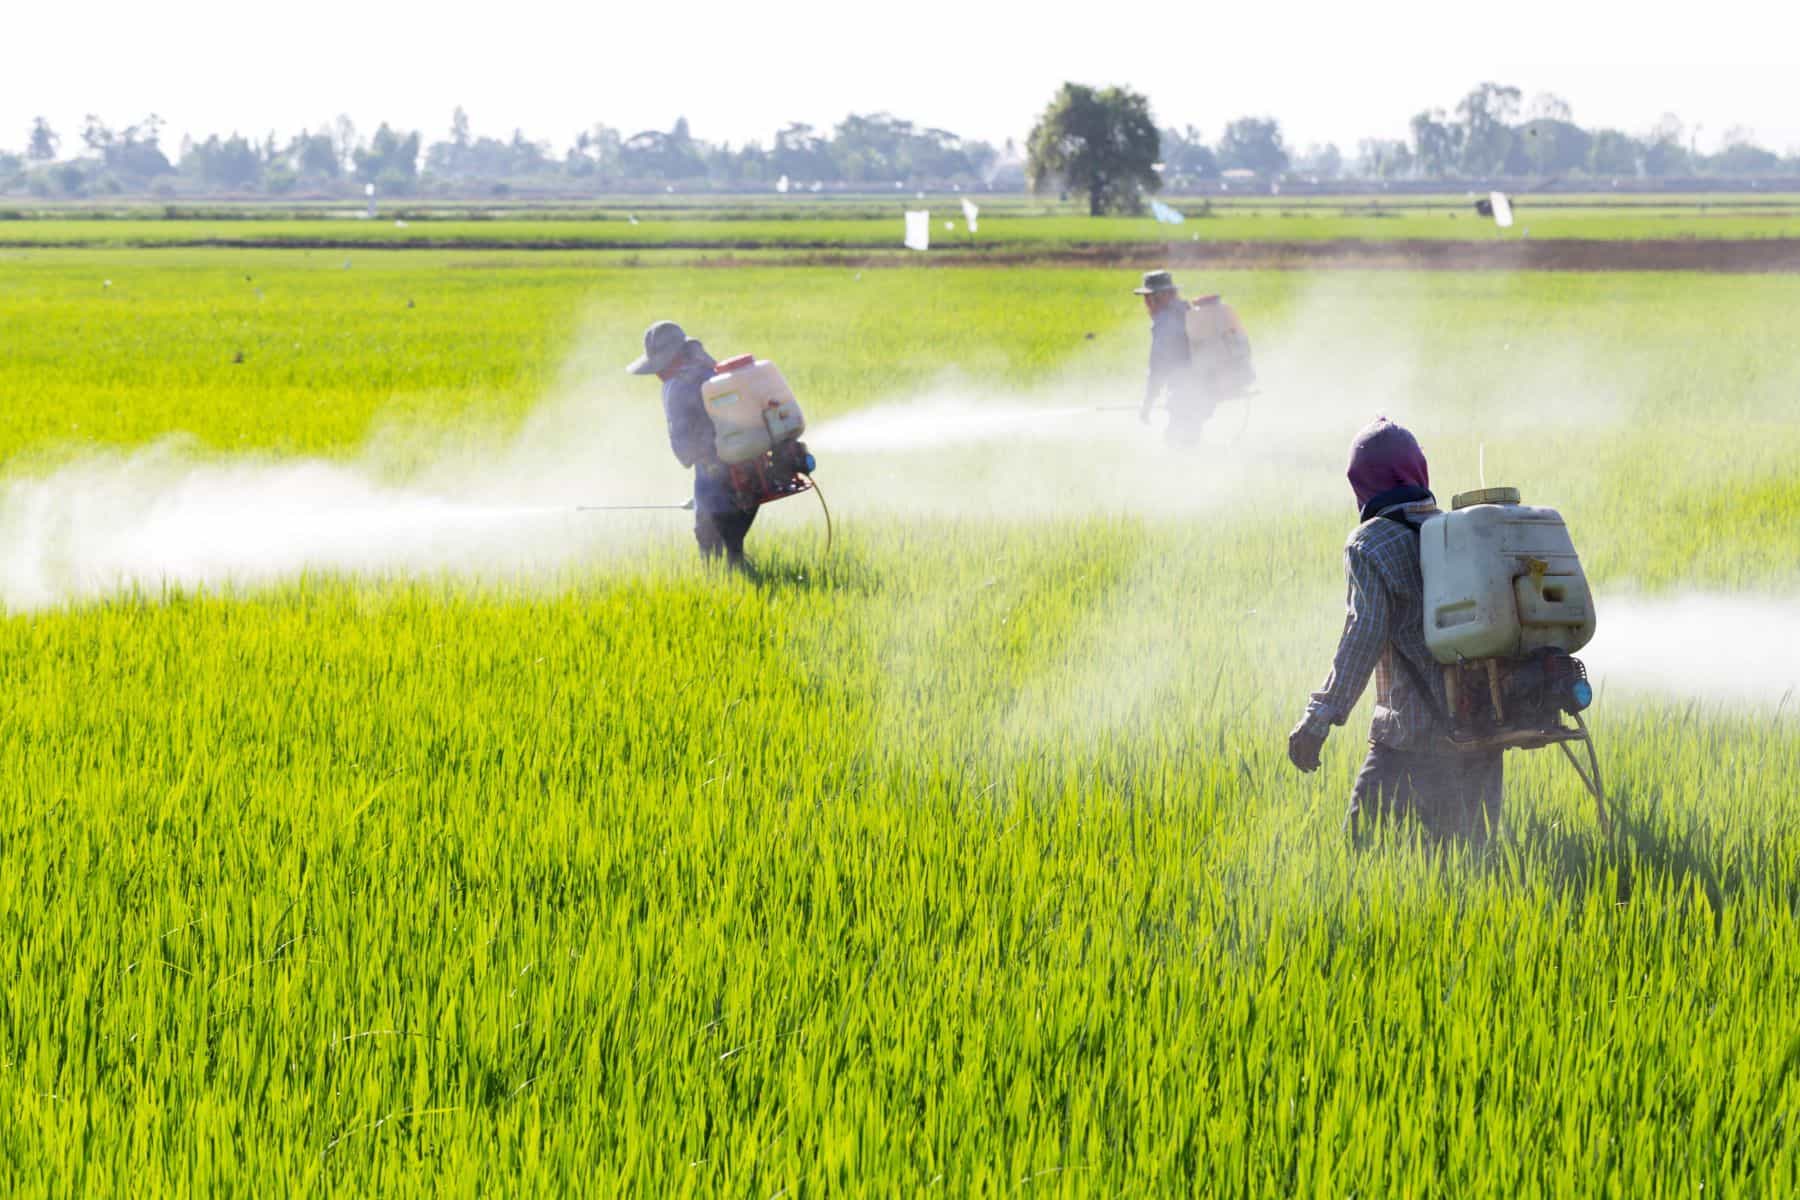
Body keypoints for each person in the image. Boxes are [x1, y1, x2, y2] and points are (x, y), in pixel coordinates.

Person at [1285, 418, 1504, 847]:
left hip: (1412, 736)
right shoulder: (1457, 531)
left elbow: (1362, 635)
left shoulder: (1370, 543)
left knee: (1360, 855)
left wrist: (1320, 717)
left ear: (1363, 484)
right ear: (1417, 470)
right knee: (1471, 864)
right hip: (1483, 725)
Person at [626, 320, 757, 574]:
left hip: (716, 465)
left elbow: (684, 443)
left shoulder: (677, 386)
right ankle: (735, 568)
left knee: (711, 539)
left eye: (659, 365)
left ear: (673, 357)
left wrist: (704, 492)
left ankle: (720, 580)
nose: (657, 373)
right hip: (749, 458)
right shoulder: (712, 369)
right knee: (732, 535)